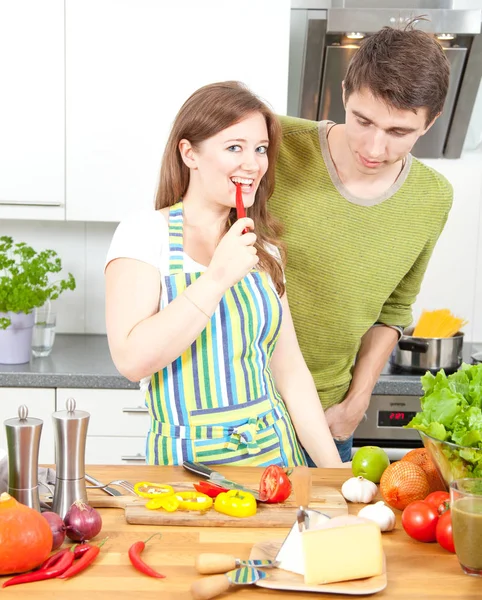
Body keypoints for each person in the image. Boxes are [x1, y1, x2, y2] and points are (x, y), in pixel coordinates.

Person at [105, 81, 344, 468]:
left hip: (275, 459)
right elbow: (132, 360)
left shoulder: (260, 246)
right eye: (235, 147)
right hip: (186, 469)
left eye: (260, 149)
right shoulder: (146, 234)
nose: (253, 164)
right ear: (189, 153)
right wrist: (216, 278)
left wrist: (334, 475)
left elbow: (290, 371)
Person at [269, 24, 453, 463]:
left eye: (398, 132)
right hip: (234, 412)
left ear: (430, 121)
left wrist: (357, 401)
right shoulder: (272, 144)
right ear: (345, 91)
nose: (374, 147)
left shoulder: (432, 197)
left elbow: (393, 310)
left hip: (328, 419)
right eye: (362, 120)